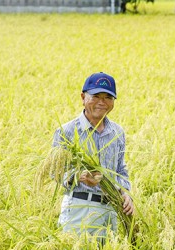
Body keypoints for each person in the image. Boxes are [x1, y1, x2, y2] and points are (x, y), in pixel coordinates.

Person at [52, 72, 134, 240]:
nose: (102, 102)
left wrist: (126, 194)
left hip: (111, 210)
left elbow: (121, 170)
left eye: (108, 97)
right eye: (96, 96)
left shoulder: (117, 132)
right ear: (83, 97)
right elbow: (56, 172)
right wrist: (78, 177)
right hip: (79, 208)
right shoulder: (67, 131)